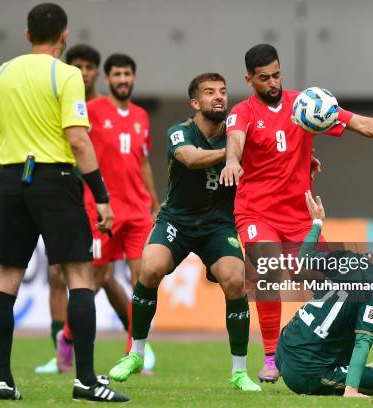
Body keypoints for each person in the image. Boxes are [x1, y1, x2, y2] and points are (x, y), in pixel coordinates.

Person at [220, 43, 373, 383]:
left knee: (331, 284)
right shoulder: (243, 112)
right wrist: (233, 160)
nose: (273, 83)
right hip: (256, 212)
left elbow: (362, 124)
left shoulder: (306, 103)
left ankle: (336, 356)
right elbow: (235, 139)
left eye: (277, 75)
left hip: (299, 214)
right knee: (267, 270)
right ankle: (270, 358)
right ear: (249, 79)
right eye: (264, 78)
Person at [0, 3, 128, 402]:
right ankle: (85, 380)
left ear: (26, 34)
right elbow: (78, 140)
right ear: (64, 35)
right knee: (80, 278)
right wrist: (101, 197)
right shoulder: (65, 74)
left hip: (11, 182)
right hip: (57, 180)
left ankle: (3, 381)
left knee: (7, 281)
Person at [108, 73, 262, 391]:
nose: (219, 97)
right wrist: (231, 156)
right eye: (209, 93)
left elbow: (272, 157)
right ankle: (135, 354)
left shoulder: (237, 134)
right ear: (195, 103)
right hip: (176, 220)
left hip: (218, 225)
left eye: (222, 91)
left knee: (235, 281)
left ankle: (238, 372)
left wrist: (305, 161)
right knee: (150, 268)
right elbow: (190, 158)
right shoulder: (180, 132)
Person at [56, 53, 160, 374]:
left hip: (138, 212)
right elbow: (73, 145)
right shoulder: (92, 110)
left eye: (128, 74)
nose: (123, 79)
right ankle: (68, 338)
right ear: (107, 79)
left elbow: (142, 162)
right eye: (117, 74)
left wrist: (155, 204)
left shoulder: (142, 116)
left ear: (134, 78)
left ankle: (134, 355)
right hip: (101, 211)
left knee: (143, 282)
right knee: (96, 280)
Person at [275, 190, 373, 397]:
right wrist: (351, 390)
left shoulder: (346, 258)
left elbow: (301, 263)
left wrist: (317, 223)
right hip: (306, 371)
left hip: (283, 350)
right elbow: (363, 341)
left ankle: (354, 370)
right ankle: (355, 375)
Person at [34, 42, 107, 375]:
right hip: (65, 196)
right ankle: (60, 352)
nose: (83, 72)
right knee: (55, 275)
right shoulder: (60, 100)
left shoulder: (106, 109)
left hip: (98, 200)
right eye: (77, 66)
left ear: (96, 72)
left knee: (100, 275)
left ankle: (137, 346)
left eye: (89, 67)